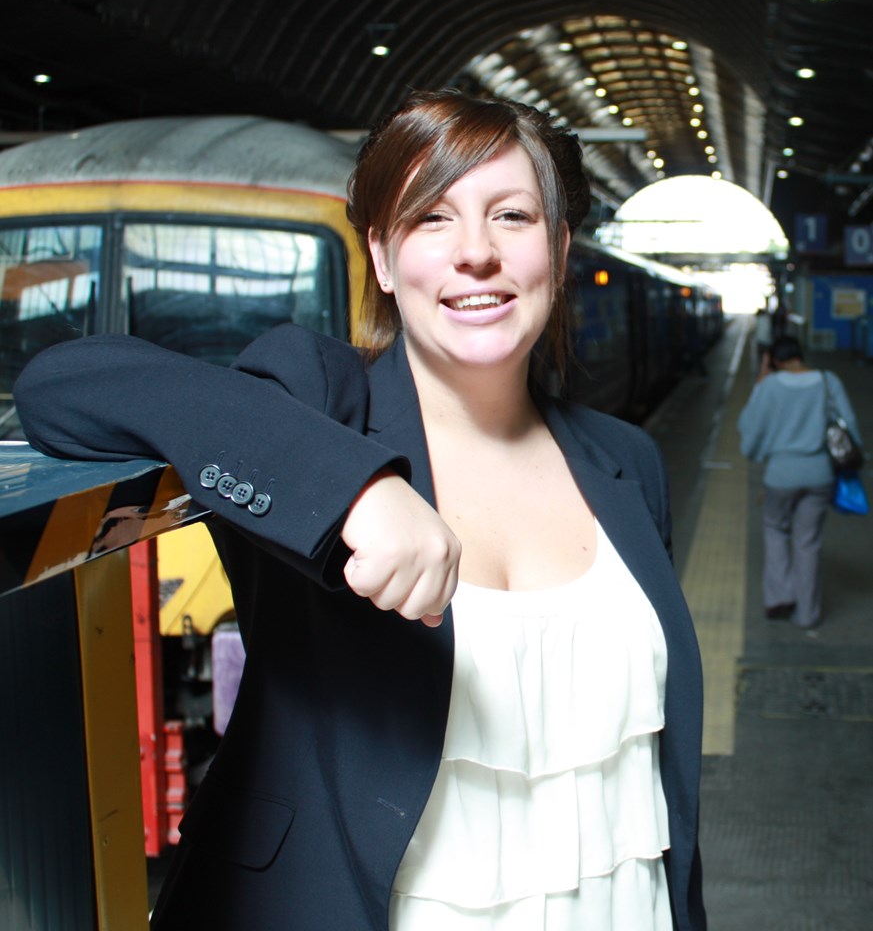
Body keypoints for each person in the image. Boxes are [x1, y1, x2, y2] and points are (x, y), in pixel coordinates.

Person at [13, 90, 706, 931]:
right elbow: (64, 386)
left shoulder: (624, 462)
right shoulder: (319, 402)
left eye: (512, 216)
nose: (475, 253)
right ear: (380, 255)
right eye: (431, 219)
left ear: (557, 253)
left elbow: (650, 782)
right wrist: (350, 486)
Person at [738, 335, 862, 629]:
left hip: (780, 475)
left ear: (775, 361)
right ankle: (808, 614)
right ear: (800, 355)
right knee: (808, 543)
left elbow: (747, 426)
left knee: (776, 531)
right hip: (820, 475)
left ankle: (780, 597)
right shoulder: (827, 380)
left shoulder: (769, 386)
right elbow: (851, 425)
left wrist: (760, 382)